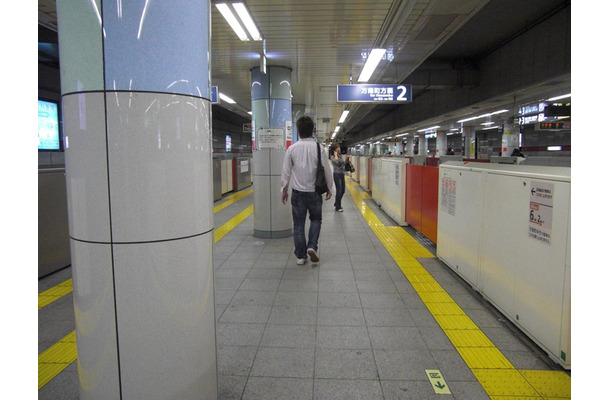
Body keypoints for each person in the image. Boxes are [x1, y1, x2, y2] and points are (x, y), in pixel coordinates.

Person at [281, 116, 333, 265]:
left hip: (297, 193)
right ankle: (312, 246)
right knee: (316, 220)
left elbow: (286, 171)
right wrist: (330, 187)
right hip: (315, 193)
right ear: (312, 130)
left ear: (298, 130)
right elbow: (326, 170)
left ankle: (300, 256)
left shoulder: (292, 149)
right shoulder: (319, 148)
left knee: (298, 225)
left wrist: (284, 189)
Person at [330, 143, 346, 212]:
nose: (339, 148)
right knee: (339, 190)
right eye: (337, 147)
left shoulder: (340, 156)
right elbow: (336, 162)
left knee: (343, 190)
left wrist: (346, 161)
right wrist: (336, 155)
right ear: (334, 149)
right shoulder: (332, 156)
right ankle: (338, 207)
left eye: (339, 147)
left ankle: (336, 203)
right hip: (337, 175)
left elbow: (342, 164)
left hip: (342, 174)